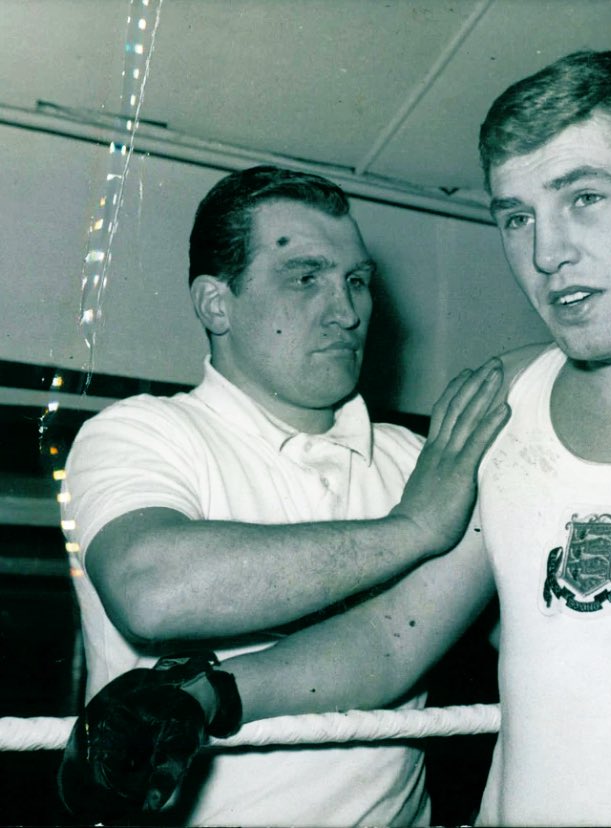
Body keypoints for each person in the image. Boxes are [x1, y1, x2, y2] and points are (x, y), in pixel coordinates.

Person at [63, 51, 611, 825]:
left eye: (584, 198)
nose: (547, 252)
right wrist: (210, 693)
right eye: (515, 217)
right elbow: (392, 636)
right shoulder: (503, 398)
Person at [58, 164, 509, 826]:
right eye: (306, 278)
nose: (348, 310)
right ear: (217, 303)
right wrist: (411, 528)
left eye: (356, 281)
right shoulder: (144, 432)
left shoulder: (420, 462)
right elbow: (153, 591)